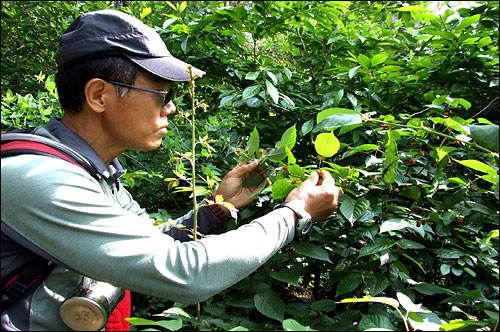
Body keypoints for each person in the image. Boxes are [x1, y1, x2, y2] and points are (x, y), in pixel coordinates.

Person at [1, 9, 340, 331]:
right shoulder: (39, 178)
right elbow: (186, 272)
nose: (172, 107)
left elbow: (154, 242)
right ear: (99, 95)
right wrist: (296, 213)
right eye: (161, 94)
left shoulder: (97, 174)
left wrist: (219, 207)